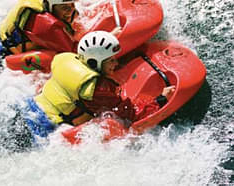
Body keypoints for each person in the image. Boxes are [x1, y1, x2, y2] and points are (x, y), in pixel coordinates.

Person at [20, 28, 175, 141]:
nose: (116, 63)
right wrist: (160, 99)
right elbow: (130, 115)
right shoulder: (98, 90)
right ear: (95, 62)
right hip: (45, 128)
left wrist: (107, 39)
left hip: (29, 108)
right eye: (111, 60)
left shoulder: (69, 59)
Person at [0, 0, 80, 77]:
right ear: (50, 5)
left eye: (72, 5)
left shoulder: (47, 5)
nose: (71, 11)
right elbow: (73, 54)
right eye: (65, 7)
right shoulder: (45, 25)